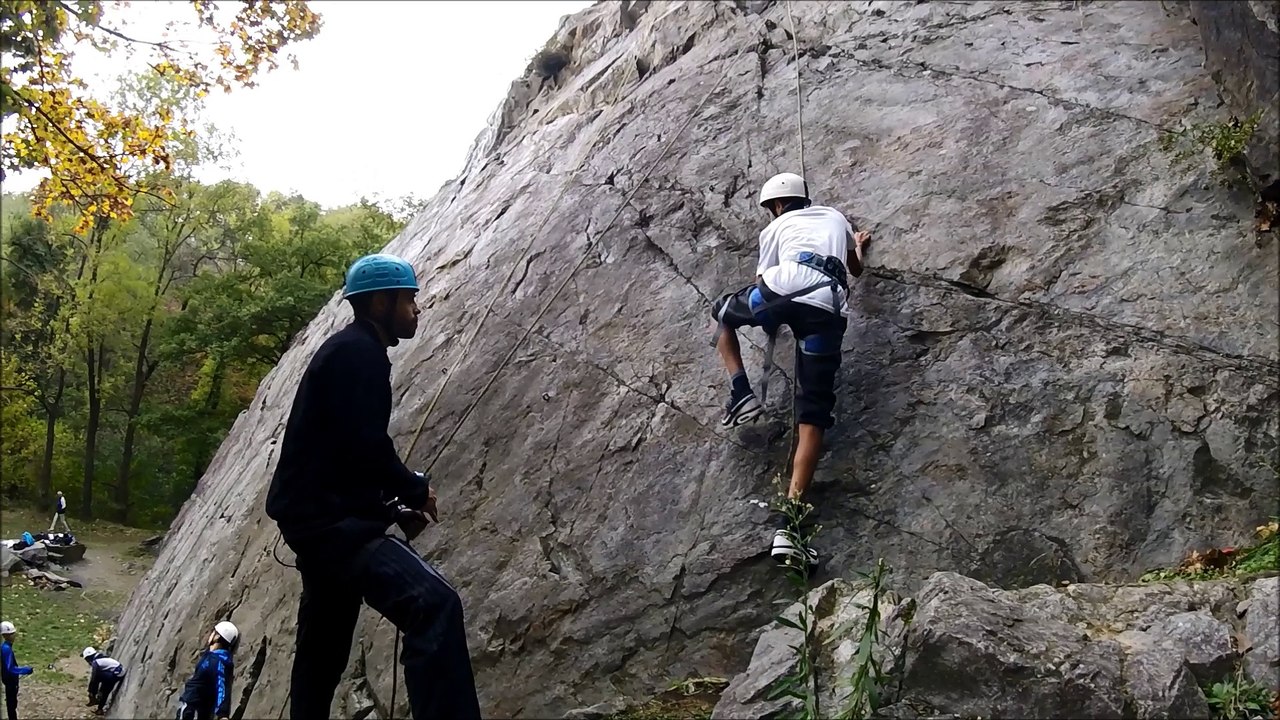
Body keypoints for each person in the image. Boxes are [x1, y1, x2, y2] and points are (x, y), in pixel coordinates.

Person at [265, 253, 481, 720]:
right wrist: (414, 489)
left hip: (316, 520)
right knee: (434, 606)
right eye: (410, 300)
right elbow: (363, 443)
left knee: (323, 648)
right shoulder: (356, 354)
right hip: (331, 526)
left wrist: (388, 506)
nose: (417, 310)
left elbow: (343, 452)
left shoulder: (351, 351)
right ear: (382, 303)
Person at [710, 172, 871, 567]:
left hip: (784, 290)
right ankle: (790, 528)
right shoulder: (835, 217)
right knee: (812, 419)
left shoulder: (776, 229)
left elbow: (764, 283)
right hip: (828, 310)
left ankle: (741, 393)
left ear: (776, 207)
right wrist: (859, 246)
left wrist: (772, 316)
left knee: (723, 315)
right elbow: (857, 270)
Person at [175, 621, 237, 720]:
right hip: (193, 708)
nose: (210, 634)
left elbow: (222, 684)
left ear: (217, 637)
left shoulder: (218, 660)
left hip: (193, 709)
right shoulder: (210, 656)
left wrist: (223, 714)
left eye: (214, 632)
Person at [1, 621, 33, 720]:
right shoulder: (6, 649)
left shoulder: (5, 647)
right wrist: (25, 670)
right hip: (10, 681)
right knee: (11, 706)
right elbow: (10, 669)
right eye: (12, 634)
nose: (14, 636)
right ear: (7, 635)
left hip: (9, 680)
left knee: (12, 704)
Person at [82, 647, 126, 715]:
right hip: (118, 673)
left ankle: (93, 697)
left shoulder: (96, 662)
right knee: (105, 690)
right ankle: (100, 709)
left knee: (96, 678)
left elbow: (94, 677)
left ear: (89, 658)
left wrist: (91, 690)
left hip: (115, 674)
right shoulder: (101, 658)